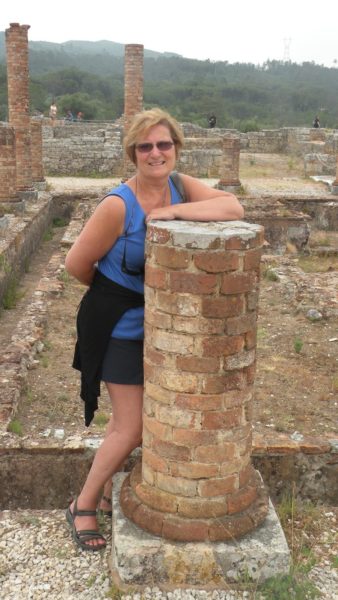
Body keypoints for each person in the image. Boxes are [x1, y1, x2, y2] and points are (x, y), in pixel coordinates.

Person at [64, 107, 244, 551]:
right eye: (145, 146)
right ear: (133, 153)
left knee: (130, 421)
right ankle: (83, 504)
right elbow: (76, 265)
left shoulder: (179, 186)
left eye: (164, 144)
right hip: (116, 327)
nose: (155, 153)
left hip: (157, 326)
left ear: (176, 148)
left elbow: (233, 205)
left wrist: (175, 212)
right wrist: (117, 295)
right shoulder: (116, 205)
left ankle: (105, 490)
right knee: (132, 427)